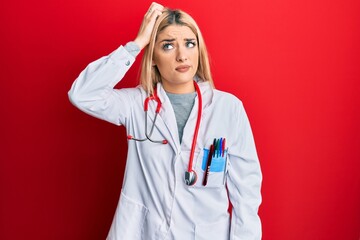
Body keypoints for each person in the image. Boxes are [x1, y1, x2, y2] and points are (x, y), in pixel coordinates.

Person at [68, 2, 262, 239]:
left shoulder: (228, 108)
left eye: (190, 44)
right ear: (152, 58)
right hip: (147, 233)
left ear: (198, 51)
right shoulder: (136, 105)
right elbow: (82, 94)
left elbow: (247, 192)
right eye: (168, 46)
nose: (182, 55)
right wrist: (137, 44)